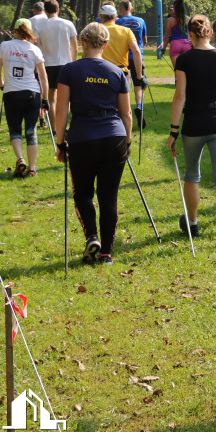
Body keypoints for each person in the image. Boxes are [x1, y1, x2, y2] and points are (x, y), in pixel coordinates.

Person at [54, 22, 132, 265]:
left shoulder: (69, 70)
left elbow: (61, 110)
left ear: (83, 42)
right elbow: (127, 114)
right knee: (108, 196)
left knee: (83, 194)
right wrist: (127, 142)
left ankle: (92, 235)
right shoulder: (117, 72)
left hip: (82, 138)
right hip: (114, 137)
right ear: (106, 45)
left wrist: (59, 143)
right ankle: (107, 253)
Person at [169, 15, 216, 248]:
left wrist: (173, 130)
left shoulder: (184, 60)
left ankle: (192, 223)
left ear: (189, 35)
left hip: (193, 123)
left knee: (192, 175)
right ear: (210, 33)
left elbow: (180, 96)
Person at [0, 19, 49, 178]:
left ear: (15, 31)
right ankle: (32, 168)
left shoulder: (5, 46)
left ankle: (20, 159)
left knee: (15, 129)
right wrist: (45, 99)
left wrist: (1, 84)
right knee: (31, 131)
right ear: (29, 32)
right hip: (32, 93)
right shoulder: (35, 49)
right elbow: (43, 77)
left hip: (12, 93)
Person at [33, 0, 78, 123]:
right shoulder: (68, 24)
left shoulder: (39, 26)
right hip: (66, 64)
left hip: (48, 64)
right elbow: (74, 48)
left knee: (51, 98)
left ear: (45, 11)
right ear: (58, 10)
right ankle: (64, 124)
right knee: (66, 97)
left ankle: (54, 128)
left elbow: (38, 47)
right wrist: (73, 63)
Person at [98, 4, 144, 108]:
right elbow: (136, 51)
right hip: (121, 72)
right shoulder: (126, 31)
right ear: (115, 17)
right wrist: (139, 75)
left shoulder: (97, 31)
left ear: (101, 18)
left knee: (103, 105)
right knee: (125, 109)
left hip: (101, 71)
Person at [116, 0, 148, 112]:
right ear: (132, 9)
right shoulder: (141, 20)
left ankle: (126, 107)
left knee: (124, 84)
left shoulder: (118, 22)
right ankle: (139, 105)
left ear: (120, 10)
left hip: (123, 58)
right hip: (138, 57)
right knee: (138, 83)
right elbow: (145, 40)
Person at [166, 0, 192, 69]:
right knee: (188, 71)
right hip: (187, 44)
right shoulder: (188, 19)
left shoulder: (169, 20)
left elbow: (166, 37)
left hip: (175, 44)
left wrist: (164, 48)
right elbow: (192, 34)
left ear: (174, 8)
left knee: (177, 71)